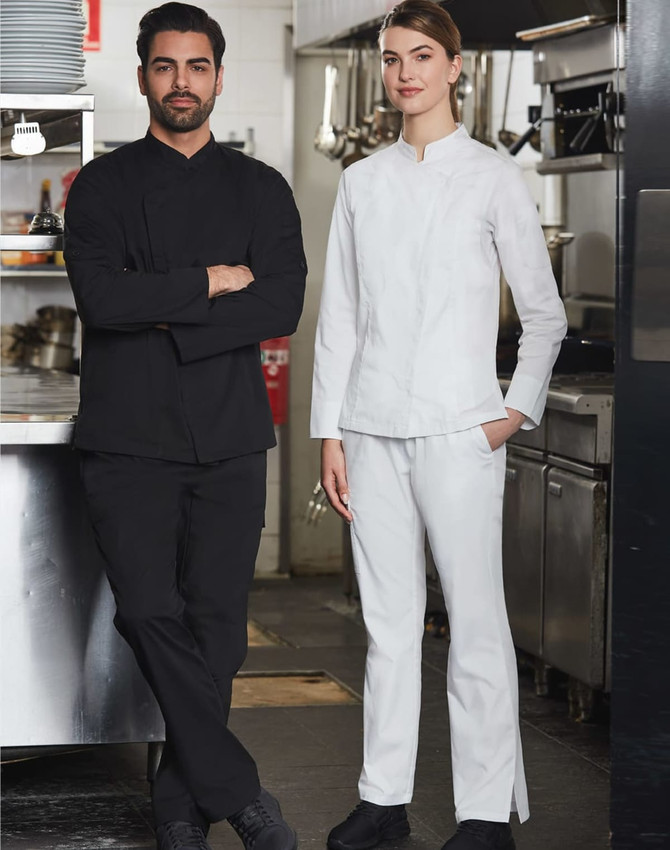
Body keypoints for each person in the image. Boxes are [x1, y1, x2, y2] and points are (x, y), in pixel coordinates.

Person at [310, 2, 567, 849]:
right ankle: (382, 802)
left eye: (422, 56)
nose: (405, 72)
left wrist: (509, 416)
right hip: (372, 430)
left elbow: (543, 314)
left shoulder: (493, 177)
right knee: (386, 629)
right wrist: (330, 433)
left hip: (461, 433)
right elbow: (341, 319)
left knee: (475, 622)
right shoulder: (362, 182)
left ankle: (485, 817)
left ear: (454, 67)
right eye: (392, 58)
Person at [64, 4, 306, 850]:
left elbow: (282, 303)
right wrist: (207, 282)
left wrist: (161, 306)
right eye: (165, 67)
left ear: (217, 76)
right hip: (127, 440)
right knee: (146, 611)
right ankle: (238, 792)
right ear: (142, 78)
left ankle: (176, 808)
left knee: (217, 630)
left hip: (231, 440)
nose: (181, 83)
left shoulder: (261, 187)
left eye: (196, 67)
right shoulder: (99, 186)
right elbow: (102, 299)